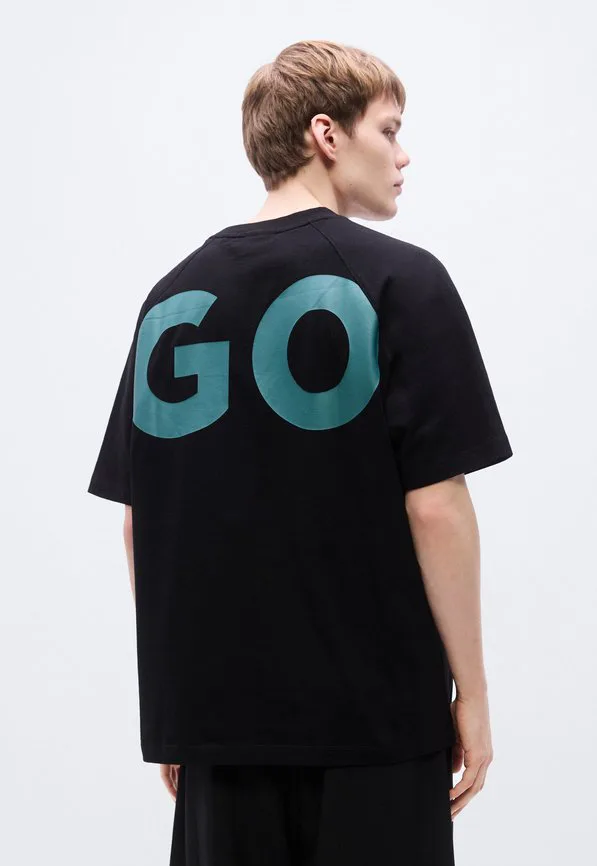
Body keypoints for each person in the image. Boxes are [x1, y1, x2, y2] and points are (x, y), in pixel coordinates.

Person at [88, 38, 513, 866]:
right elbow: (435, 506)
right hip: (378, 727)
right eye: (388, 130)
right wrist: (473, 695)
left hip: (220, 727)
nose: (402, 155)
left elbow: (143, 523)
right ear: (327, 134)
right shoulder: (401, 281)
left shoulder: (171, 300)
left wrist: (182, 708)